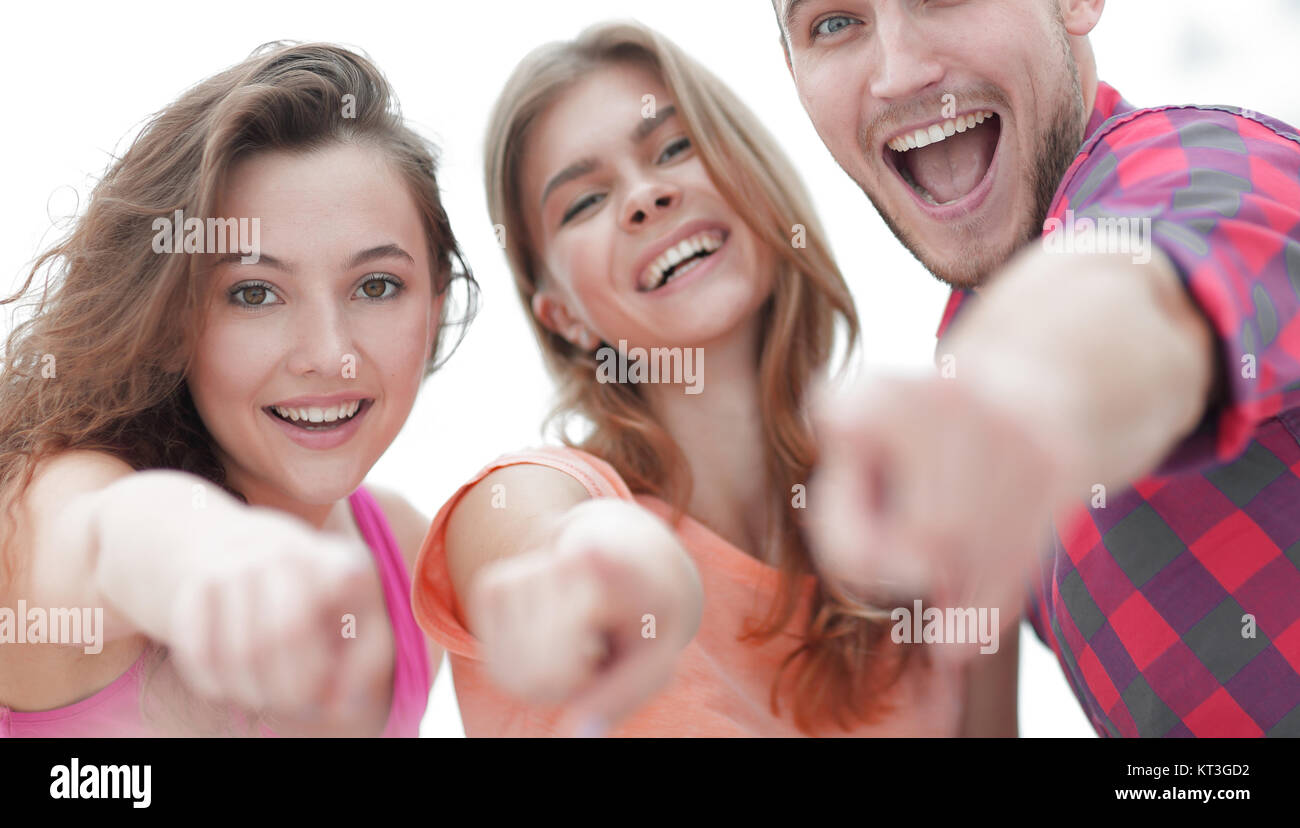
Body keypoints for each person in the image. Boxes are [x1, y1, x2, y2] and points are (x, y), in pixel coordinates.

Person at [411, 21, 1018, 737]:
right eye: (583, 202)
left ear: (752, 183)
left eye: (674, 148)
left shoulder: (930, 519)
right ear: (562, 317)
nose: (644, 197)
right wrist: (608, 559)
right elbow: (554, 541)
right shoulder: (523, 498)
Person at [775, 0, 1300, 736]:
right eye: (833, 23)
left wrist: (1021, 396)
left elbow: (1139, 286)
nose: (898, 74)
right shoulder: (961, 351)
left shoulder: (1204, 161)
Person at [0, 42, 474, 736]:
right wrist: (208, 551)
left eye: (376, 286)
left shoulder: (403, 553)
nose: (330, 355)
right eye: (254, 293)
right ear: (171, 318)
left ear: (434, 300)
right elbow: (105, 533)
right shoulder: (57, 499)